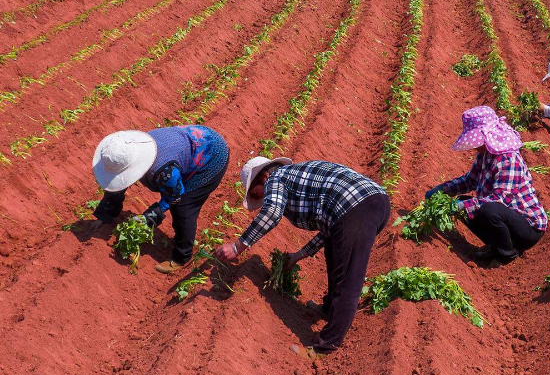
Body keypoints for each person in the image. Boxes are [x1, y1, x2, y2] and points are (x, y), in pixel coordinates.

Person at [214, 157, 390, 358]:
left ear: (263, 177)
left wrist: (237, 247)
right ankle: (328, 309)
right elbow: (330, 228)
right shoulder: (294, 177)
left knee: (348, 278)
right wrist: (298, 255)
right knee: (334, 250)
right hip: (367, 202)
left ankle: (327, 345)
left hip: (359, 206)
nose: (262, 198)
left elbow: (271, 213)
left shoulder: (276, 179)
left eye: (256, 193)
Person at [90, 126, 229, 273]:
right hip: (190, 143)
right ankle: (109, 213)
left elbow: (175, 194)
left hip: (211, 156)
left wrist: (149, 217)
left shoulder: (162, 170)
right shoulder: (132, 150)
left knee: (183, 208)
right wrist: (104, 213)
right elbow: (118, 182)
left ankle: (182, 257)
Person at [426, 106, 547, 265]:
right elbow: (469, 181)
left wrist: (461, 205)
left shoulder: (508, 159)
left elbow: (499, 199)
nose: (475, 145)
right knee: (467, 206)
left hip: (528, 226)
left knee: (487, 210)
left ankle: (507, 254)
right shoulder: (485, 154)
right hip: (504, 216)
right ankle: (497, 245)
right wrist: (442, 190)